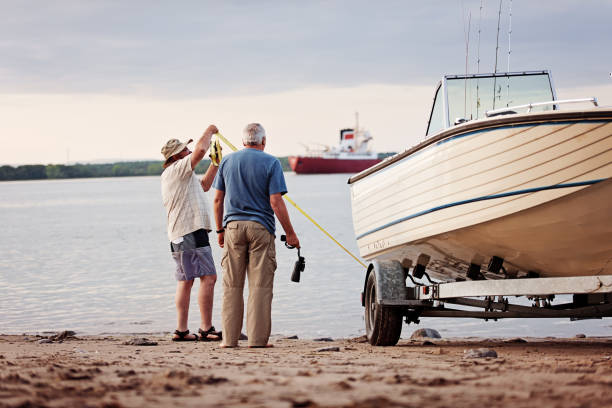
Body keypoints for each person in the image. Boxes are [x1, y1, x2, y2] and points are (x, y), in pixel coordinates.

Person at [212, 123, 299, 348]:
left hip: (232, 228)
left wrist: (220, 230)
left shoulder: (227, 162)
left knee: (232, 286)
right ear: (263, 141)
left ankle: (229, 340)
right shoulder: (271, 163)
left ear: (243, 141)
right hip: (261, 228)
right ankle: (257, 341)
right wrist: (290, 233)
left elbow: (217, 200)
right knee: (259, 287)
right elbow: (275, 202)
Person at [160, 124, 223, 342]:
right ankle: (206, 328)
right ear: (177, 155)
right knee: (209, 277)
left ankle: (182, 330)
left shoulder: (180, 175)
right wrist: (209, 131)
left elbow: (205, 185)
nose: (189, 151)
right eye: (185, 150)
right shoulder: (176, 169)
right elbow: (199, 151)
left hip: (180, 233)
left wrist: (215, 163)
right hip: (190, 231)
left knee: (186, 281)